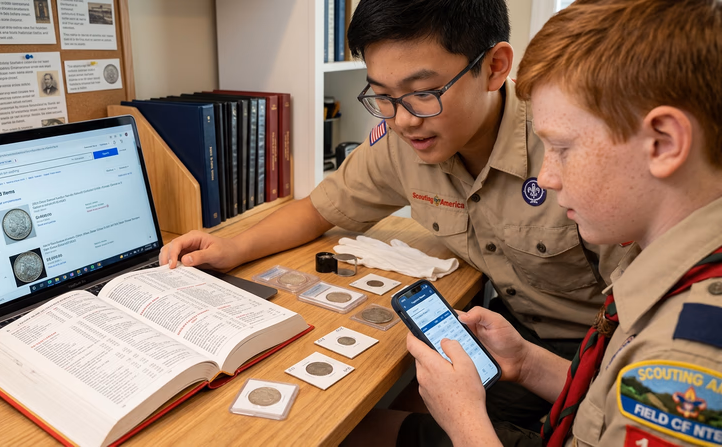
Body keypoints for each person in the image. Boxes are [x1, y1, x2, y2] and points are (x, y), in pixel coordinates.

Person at [160, 0, 629, 429]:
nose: (403, 119)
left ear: (494, 67)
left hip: (608, 360)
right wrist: (233, 247)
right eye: (382, 95)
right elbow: (319, 208)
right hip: (514, 340)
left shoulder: (564, 145)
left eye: (423, 92)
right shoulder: (403, 140)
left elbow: (640, 328)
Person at [375, 0, 722, 445]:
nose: (545, 176)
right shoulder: (671, 262)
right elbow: (608, 408)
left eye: (562, 148)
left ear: (664, 142)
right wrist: (527, 362)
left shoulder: (683, 362)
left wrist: (463, 417)